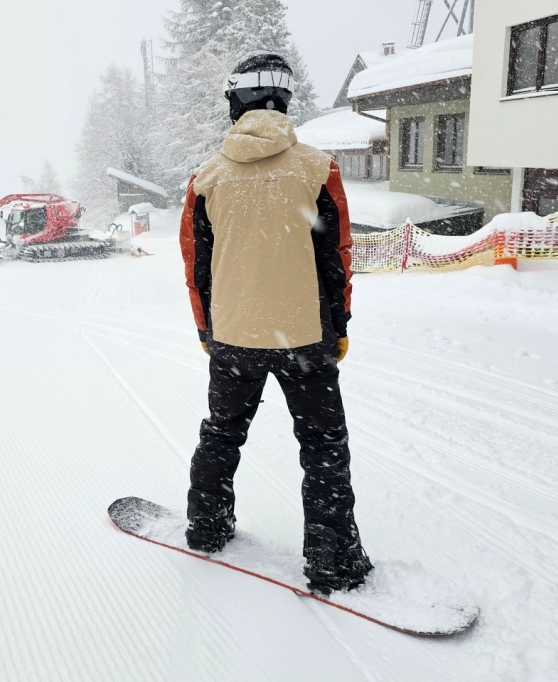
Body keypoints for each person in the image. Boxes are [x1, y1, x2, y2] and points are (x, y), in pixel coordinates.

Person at [178, 52, 372, 595]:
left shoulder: (206, 178)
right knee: (323, 447)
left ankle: (207, 526)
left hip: (235, 339)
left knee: (221, 434)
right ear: (284, 101)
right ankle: (333, 560)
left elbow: (197, 268)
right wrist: (338, 326)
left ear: (234, 104)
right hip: (304, 337)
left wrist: (207, 331)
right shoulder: (317, 168)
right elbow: (335, 256)